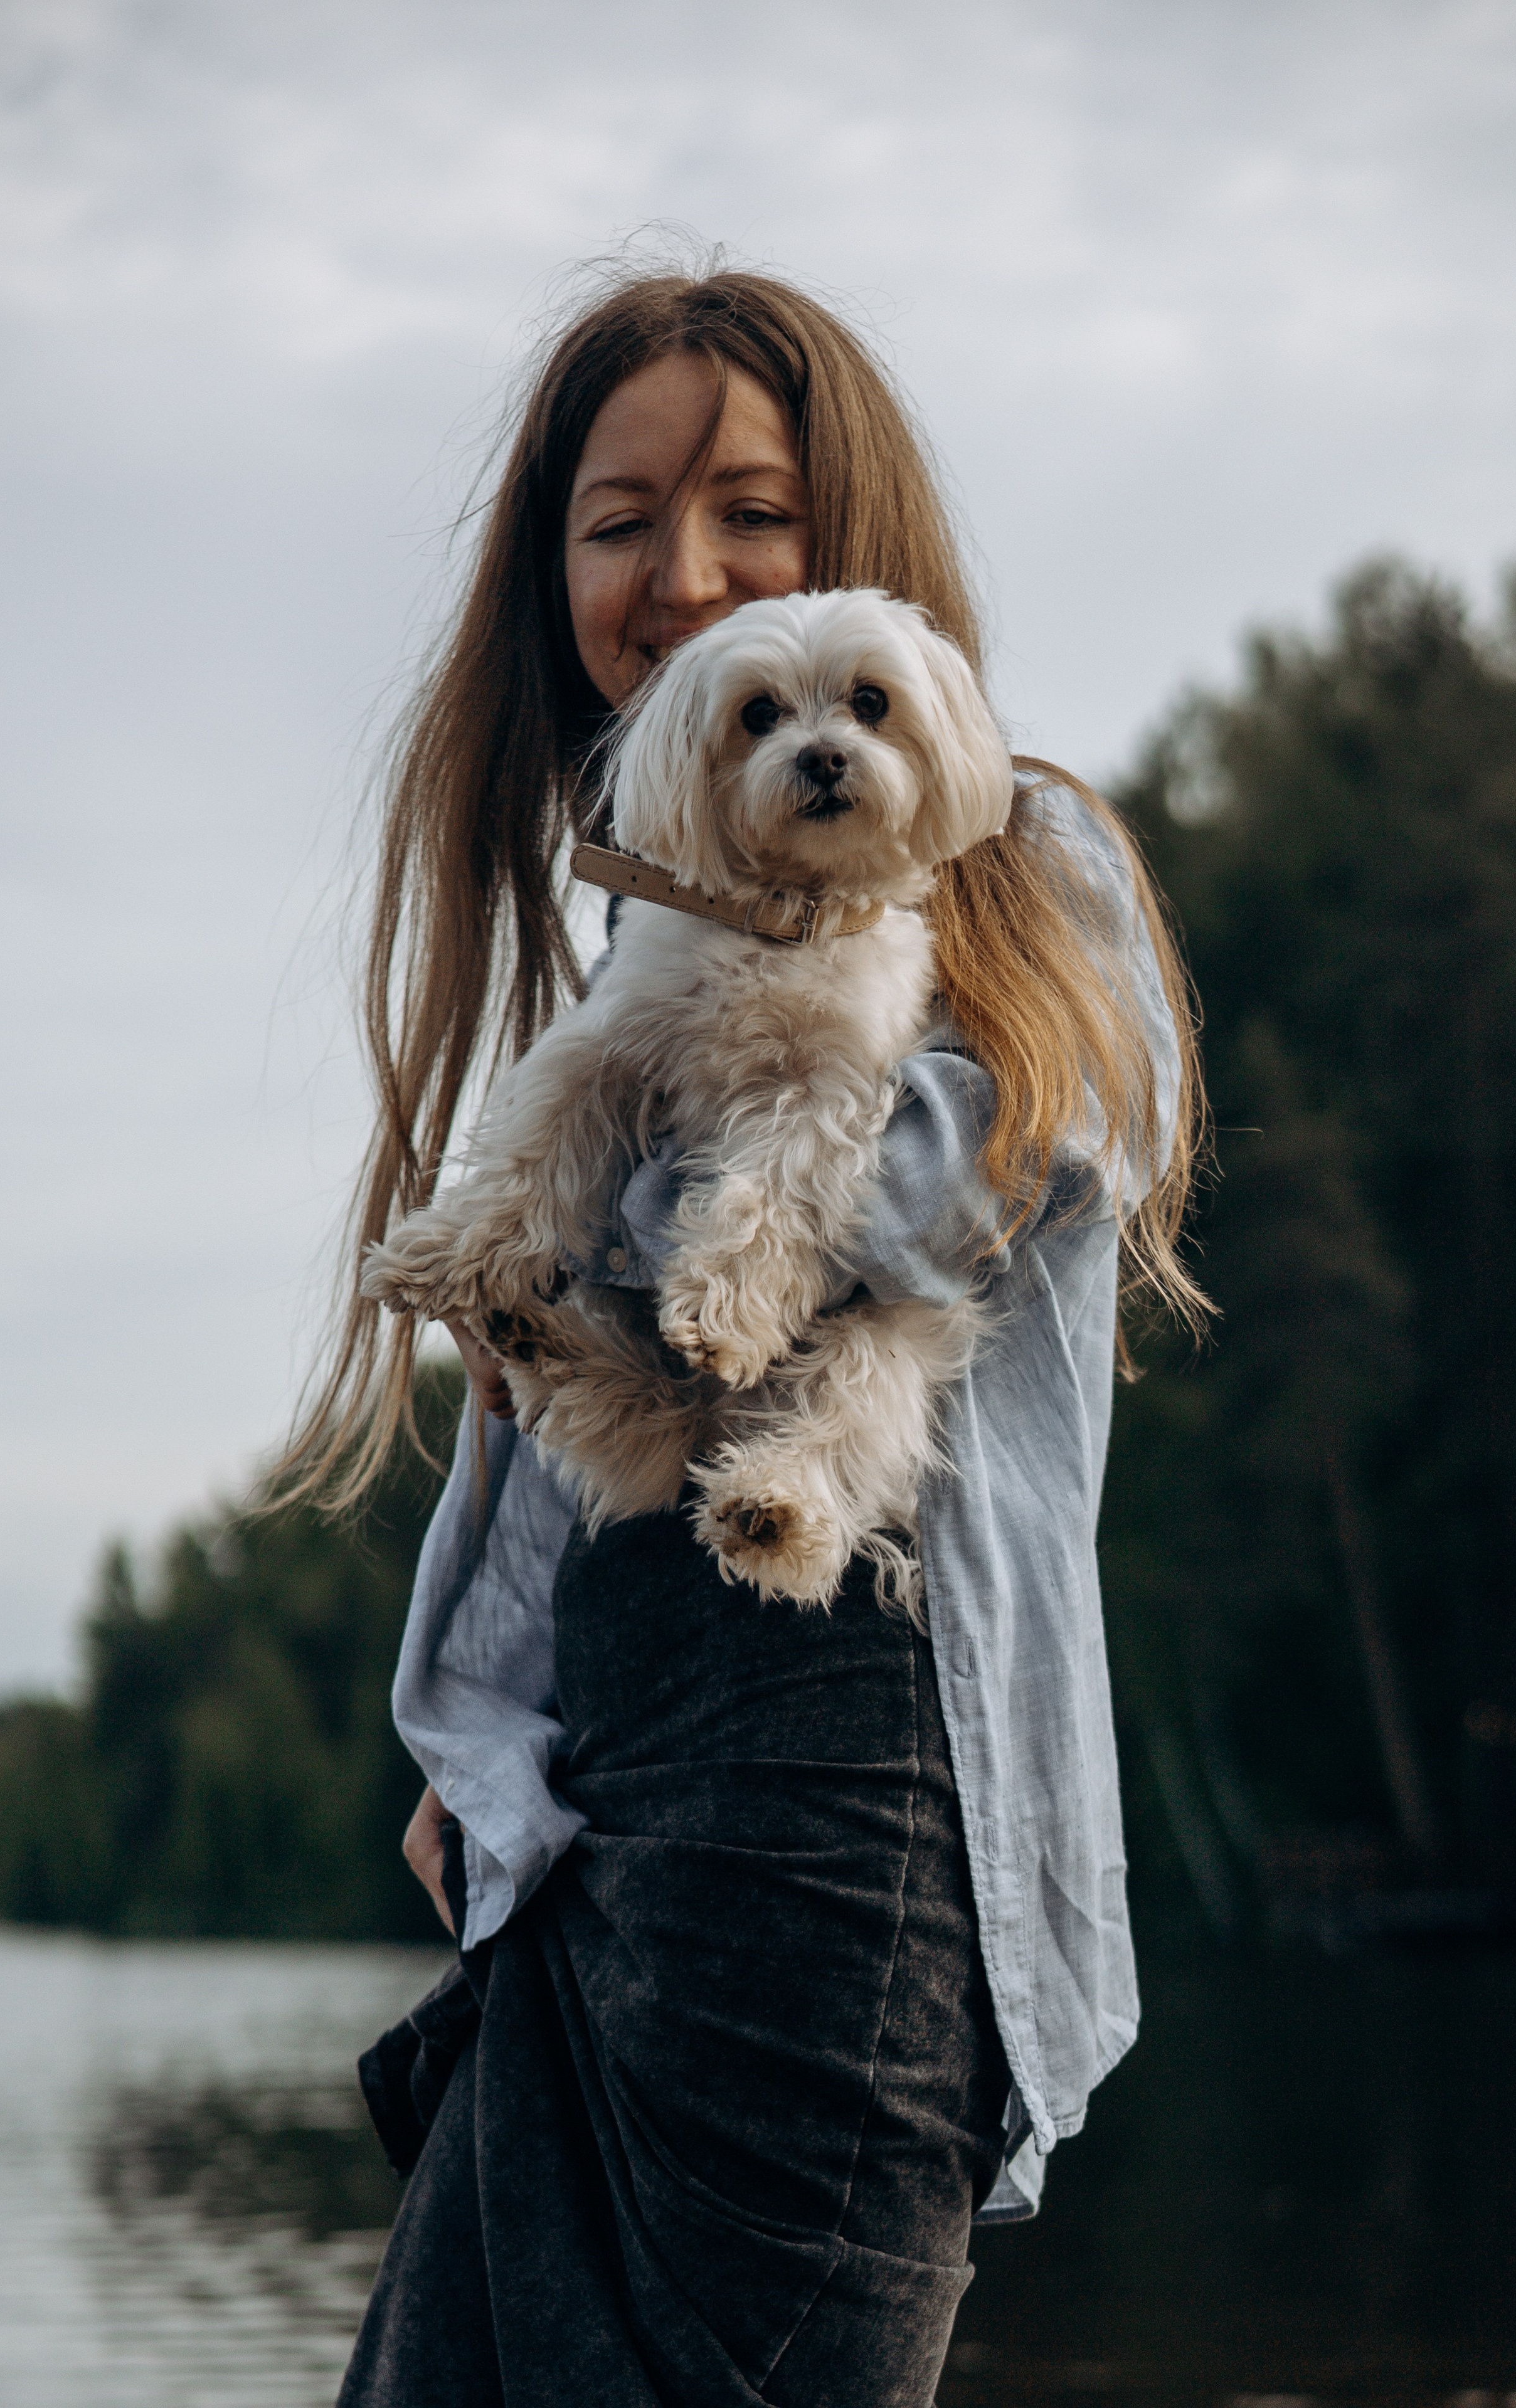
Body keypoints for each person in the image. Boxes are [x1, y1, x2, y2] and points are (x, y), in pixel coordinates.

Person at [278, 263, 1205, 2408]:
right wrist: (476, 1739)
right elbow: (532, 1411)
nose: (683, 577)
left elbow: (978, 1183)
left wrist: (634, 1173)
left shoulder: (1018, 862)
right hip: (599, 1819)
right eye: (618, 525)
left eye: (750, 513)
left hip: (849, 1802)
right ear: (557, 577)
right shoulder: (640, 944)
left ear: (858, 539)